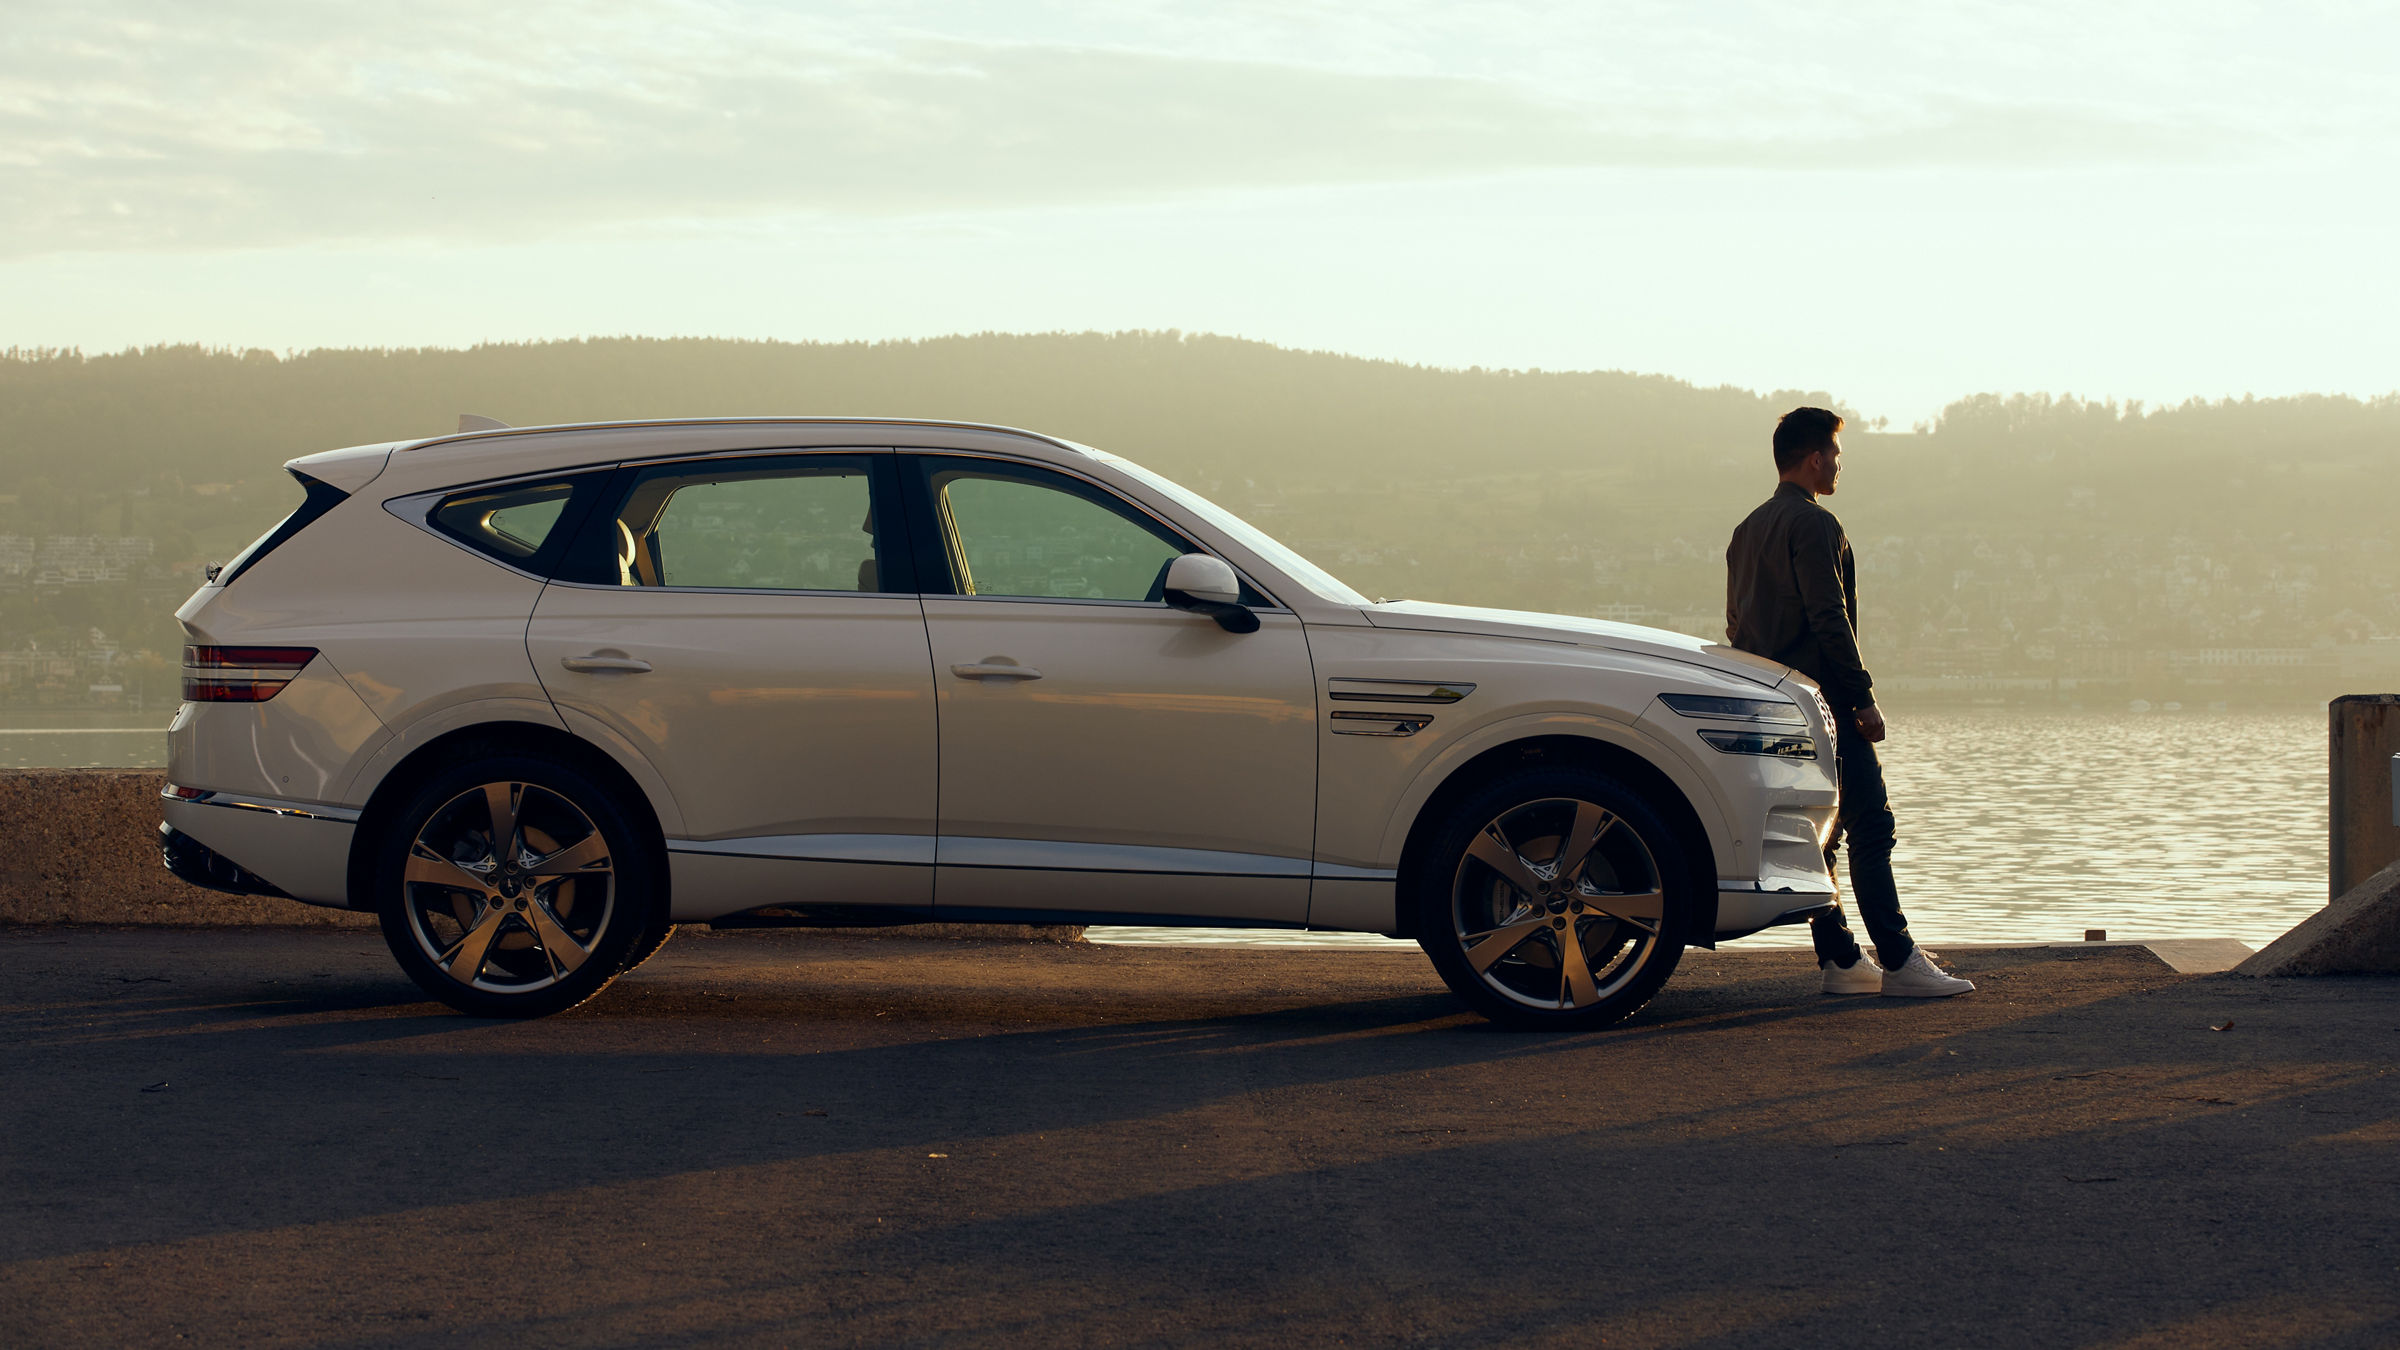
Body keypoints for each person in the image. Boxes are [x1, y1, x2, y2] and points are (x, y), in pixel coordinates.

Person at [1725, 407, 1973, 998]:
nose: (1838, 464)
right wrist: (1862, 700)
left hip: (1774, 703)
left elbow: (1737, 627)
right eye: (1835, 453)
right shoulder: (1814, 525)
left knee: (1817, 837)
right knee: (1870, 825)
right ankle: (1899, 957)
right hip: (1828, 702)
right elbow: (1829, 619)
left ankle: (1839, 957)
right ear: (1815, 458)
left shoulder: (1746, 531)